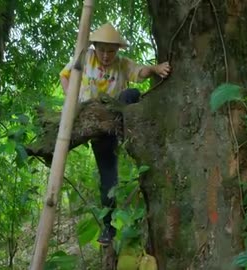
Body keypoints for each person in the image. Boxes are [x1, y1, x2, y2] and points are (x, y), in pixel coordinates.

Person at [59, 22, 171, 245]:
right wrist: (70, 101)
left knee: (132, 93)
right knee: (108, 178)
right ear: (95, 47)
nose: (106, 55)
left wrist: (156, 69)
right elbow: (64, 75)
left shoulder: (121, 64)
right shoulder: (85, 58)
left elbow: (139, 72)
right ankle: (108, 228)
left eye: (111, 51)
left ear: (117, 50)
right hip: (94, 123)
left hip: (116, 116)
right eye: (102, 50)